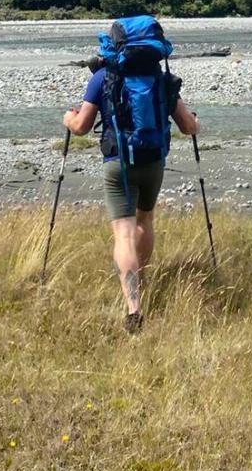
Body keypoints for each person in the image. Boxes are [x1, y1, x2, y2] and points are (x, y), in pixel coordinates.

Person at [62, 53, 199, 333]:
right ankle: (141, 281)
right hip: (153, 162)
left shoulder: (102, 78)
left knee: (123, 233)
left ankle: (133, 309)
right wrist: (197, 122)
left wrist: (67, 119)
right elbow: (188, 126)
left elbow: (80, 128)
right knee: (145, 220)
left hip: (118, 164)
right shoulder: (161, 80)